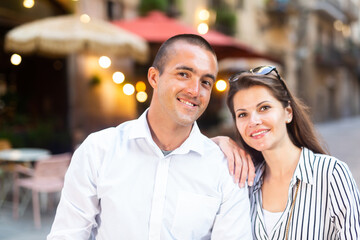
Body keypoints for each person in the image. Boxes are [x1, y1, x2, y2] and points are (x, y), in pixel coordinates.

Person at [47, 34, 252, 240]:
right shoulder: (98, 150)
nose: (195, 90)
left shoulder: (227, 169)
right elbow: (67, 234)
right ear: (154, 77)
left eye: (206, 82)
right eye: (183, 74)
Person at [216, 65, 360, 239]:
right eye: (242, 114)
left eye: (264, 108)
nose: (253, 121)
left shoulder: (330, 173)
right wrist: (216, 142)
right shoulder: (244, 181)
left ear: (288, 113)